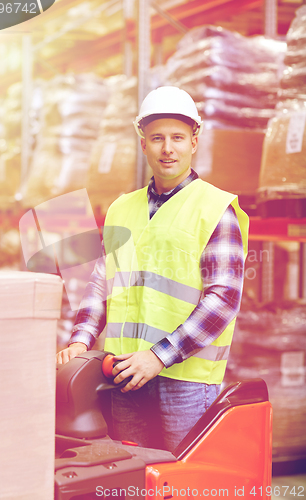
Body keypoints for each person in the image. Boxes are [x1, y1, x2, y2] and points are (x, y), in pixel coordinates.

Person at [56, 86, 249, 453]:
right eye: (157, 138)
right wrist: (81, 339)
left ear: (194, 141)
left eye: (177, 138)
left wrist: (159, 355)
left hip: (186, 381)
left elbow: (222, 299)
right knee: (134, 475)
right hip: (124, 374)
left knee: (183, 482)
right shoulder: (121, 209)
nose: (167, 148)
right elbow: (101, 284)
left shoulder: (214, 208)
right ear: (142, 144)